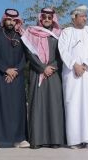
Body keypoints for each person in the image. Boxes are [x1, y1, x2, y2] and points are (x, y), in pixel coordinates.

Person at [22, 8, 65, 149]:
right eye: (44, 17)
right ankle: (37, 139)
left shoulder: (59, 34)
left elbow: (62, 55)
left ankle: (55, 139)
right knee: (37, 105)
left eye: (49, 17)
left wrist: (51, 67)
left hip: (53, 73)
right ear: (40, 18)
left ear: (53, 19)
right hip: (37, 73)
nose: (47, 19)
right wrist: (42, 68)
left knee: (54, 105)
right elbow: (29, 54)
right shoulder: (31, 33)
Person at [58, 5, 88, 148]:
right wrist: (74, 65)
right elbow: (63, 51)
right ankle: (74, 140)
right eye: (82, 16)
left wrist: (85, 65)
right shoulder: (66, 32)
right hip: (72, 74)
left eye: (86, 16)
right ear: (74, 17)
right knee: (73, 104)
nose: (85, 18)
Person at [0, 9, 28, 149]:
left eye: (14, 20)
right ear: (4, 20)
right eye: (8, 20)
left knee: (17, 108)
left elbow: (26, 57)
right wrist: (6, 70)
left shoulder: (21, 36)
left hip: (17, 76)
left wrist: (15, 71)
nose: (11, 22)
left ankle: (18, 139)